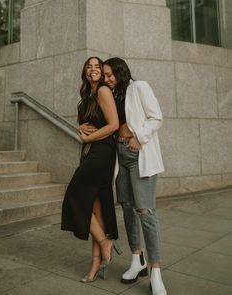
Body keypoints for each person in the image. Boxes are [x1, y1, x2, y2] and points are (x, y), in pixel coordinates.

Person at [103, 57, 167, 295]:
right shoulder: (112, 95)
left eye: (110, 74)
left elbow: (157, 117)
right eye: (105, 76)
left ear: (121, 71)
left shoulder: (139, 87)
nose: (107, 79)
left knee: (146, 212)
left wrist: (138, 137)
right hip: (121, 157)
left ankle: (155, 271)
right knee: (127, 208)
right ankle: (137, 258)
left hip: (138, 153)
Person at [61, 57, 121, 283]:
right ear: (85, 72)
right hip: (91, 151)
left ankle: (105, 243)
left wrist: (87, 138)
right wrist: (80, 128)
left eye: (97, 67)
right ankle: (96, 263)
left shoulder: (104, 91)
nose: (93, 70)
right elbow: (90, 123)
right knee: (95, 209)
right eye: (89, 67)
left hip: (102, 152)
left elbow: (113, 125)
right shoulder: (86, 96)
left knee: (74, 197)